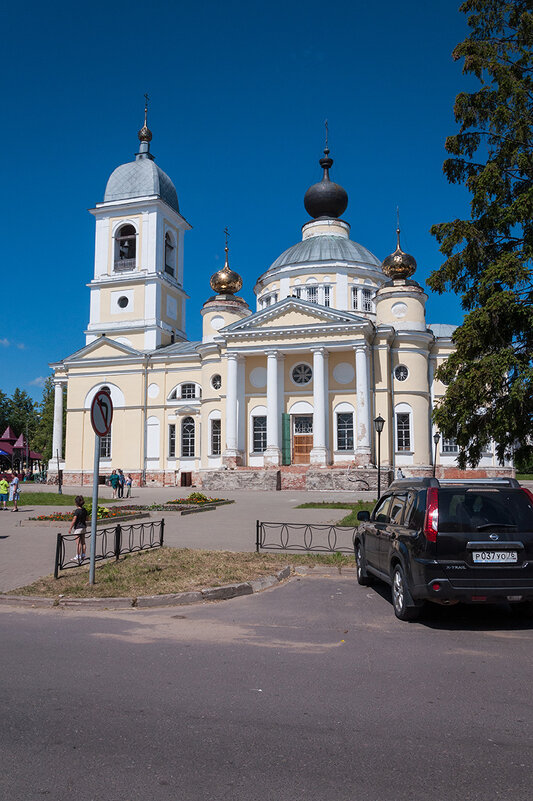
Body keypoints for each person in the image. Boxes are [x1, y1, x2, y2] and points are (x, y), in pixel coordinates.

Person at [68, 495, 88, 564]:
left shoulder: (77, 511)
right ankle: (83, 555)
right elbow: (87, 518)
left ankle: (78, 556)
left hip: (78, 528)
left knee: (78, 543)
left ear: (76, 503)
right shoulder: (84, 510)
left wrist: (70, 528)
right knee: (83, 542)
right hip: (84, 527)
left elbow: (74, 520)